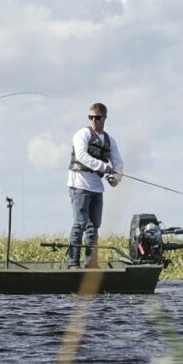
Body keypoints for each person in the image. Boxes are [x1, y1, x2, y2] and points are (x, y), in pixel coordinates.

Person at [66, 101, 123, 268]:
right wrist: (104, 167)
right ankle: (73, 262)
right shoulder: (82, 135)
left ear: (104, 118)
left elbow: (118, 163)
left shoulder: (110, 141)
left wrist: (116, 178)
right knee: (80, 224)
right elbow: (82, 156)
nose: (93, 120)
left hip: (96, 187)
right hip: (79, 185)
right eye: (90, 117)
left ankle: (91, 263)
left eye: (97, 118)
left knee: (93, 227)